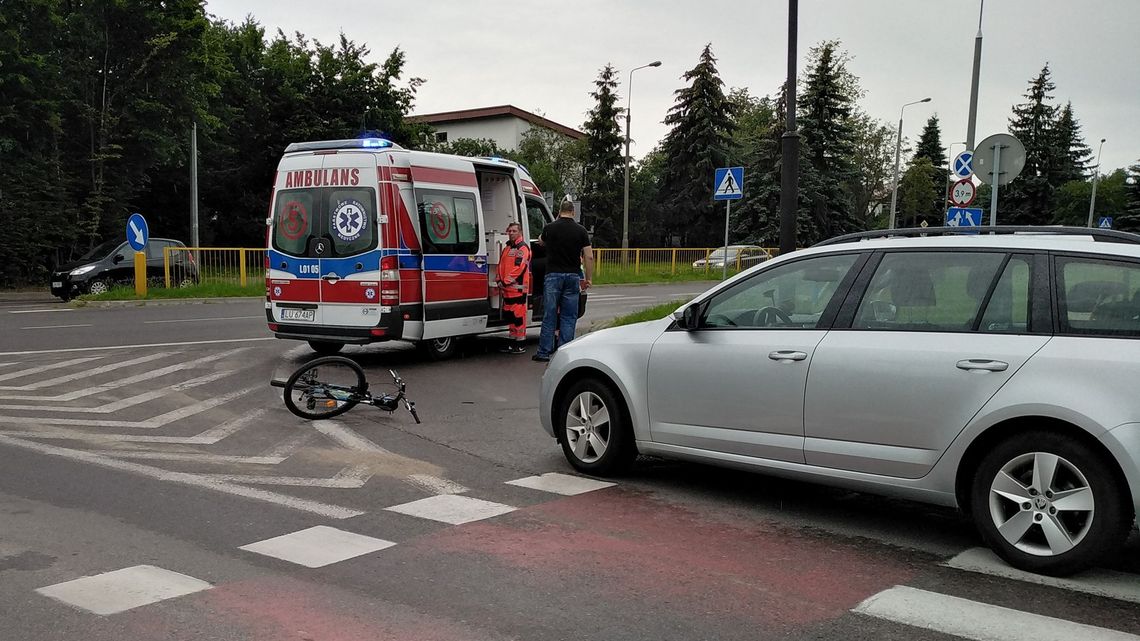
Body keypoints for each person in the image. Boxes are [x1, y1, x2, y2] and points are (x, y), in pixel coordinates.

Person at [533, 200, 593, 362]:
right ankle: (563, 354)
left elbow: (541, 241)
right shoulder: (581, 231)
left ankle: (544, 352)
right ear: (573, 212)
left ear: (560, 211)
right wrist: (588, 278)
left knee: (549, 315)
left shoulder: (550, 228)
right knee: (568, 316)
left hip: (552, 276)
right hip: (573, 276)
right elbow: (589, 256)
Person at [496, 222, 530, 354]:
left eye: (514, 231)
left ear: (520, 232)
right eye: (509, 231)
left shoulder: (523, 248)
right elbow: (501, 265)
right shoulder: (507, 248)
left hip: (517, 289)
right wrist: (499, 279)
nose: (511, 233)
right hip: (507, 289)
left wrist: (505, 281)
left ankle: (520, 343)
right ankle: (512, 342)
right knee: (511, 317)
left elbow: (519, 268)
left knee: (518, 317)